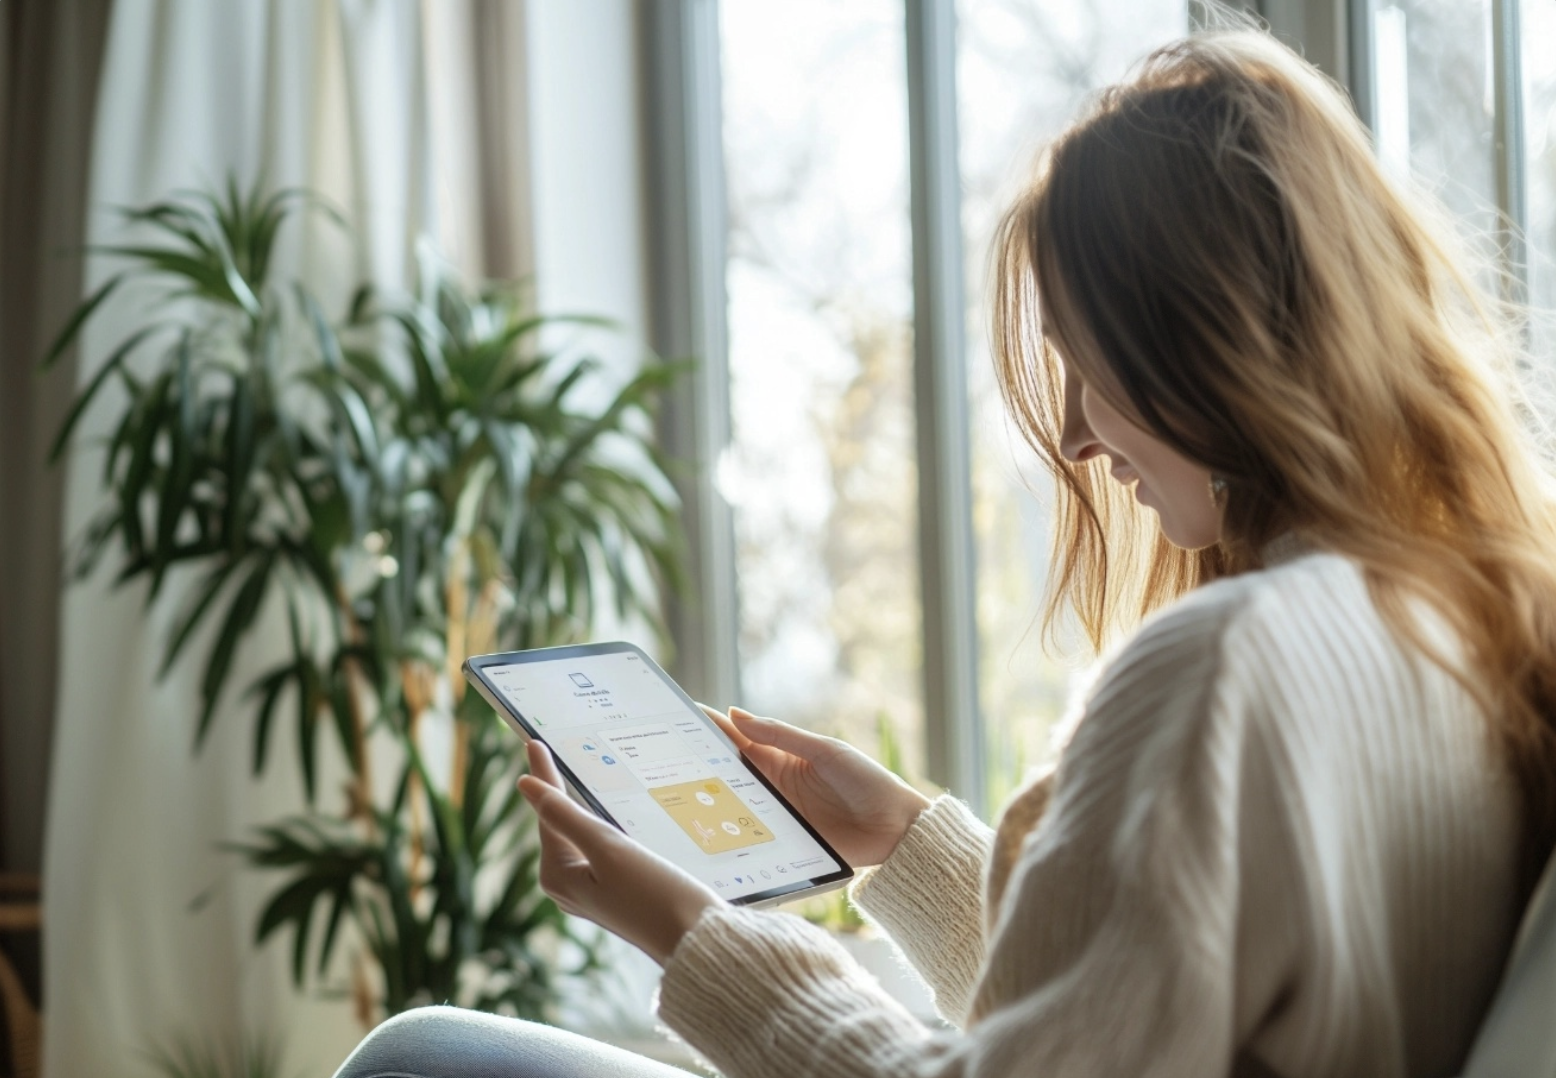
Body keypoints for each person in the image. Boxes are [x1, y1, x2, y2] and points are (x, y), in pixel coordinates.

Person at [333, 26, 1556, 1078]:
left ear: (1206, 344)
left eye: (1090, 366)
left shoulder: (1223, 668)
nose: (1074, 437)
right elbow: (1135, 1019)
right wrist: (906, 846)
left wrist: (684, 926)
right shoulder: (1467, 624)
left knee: (418, 1057)